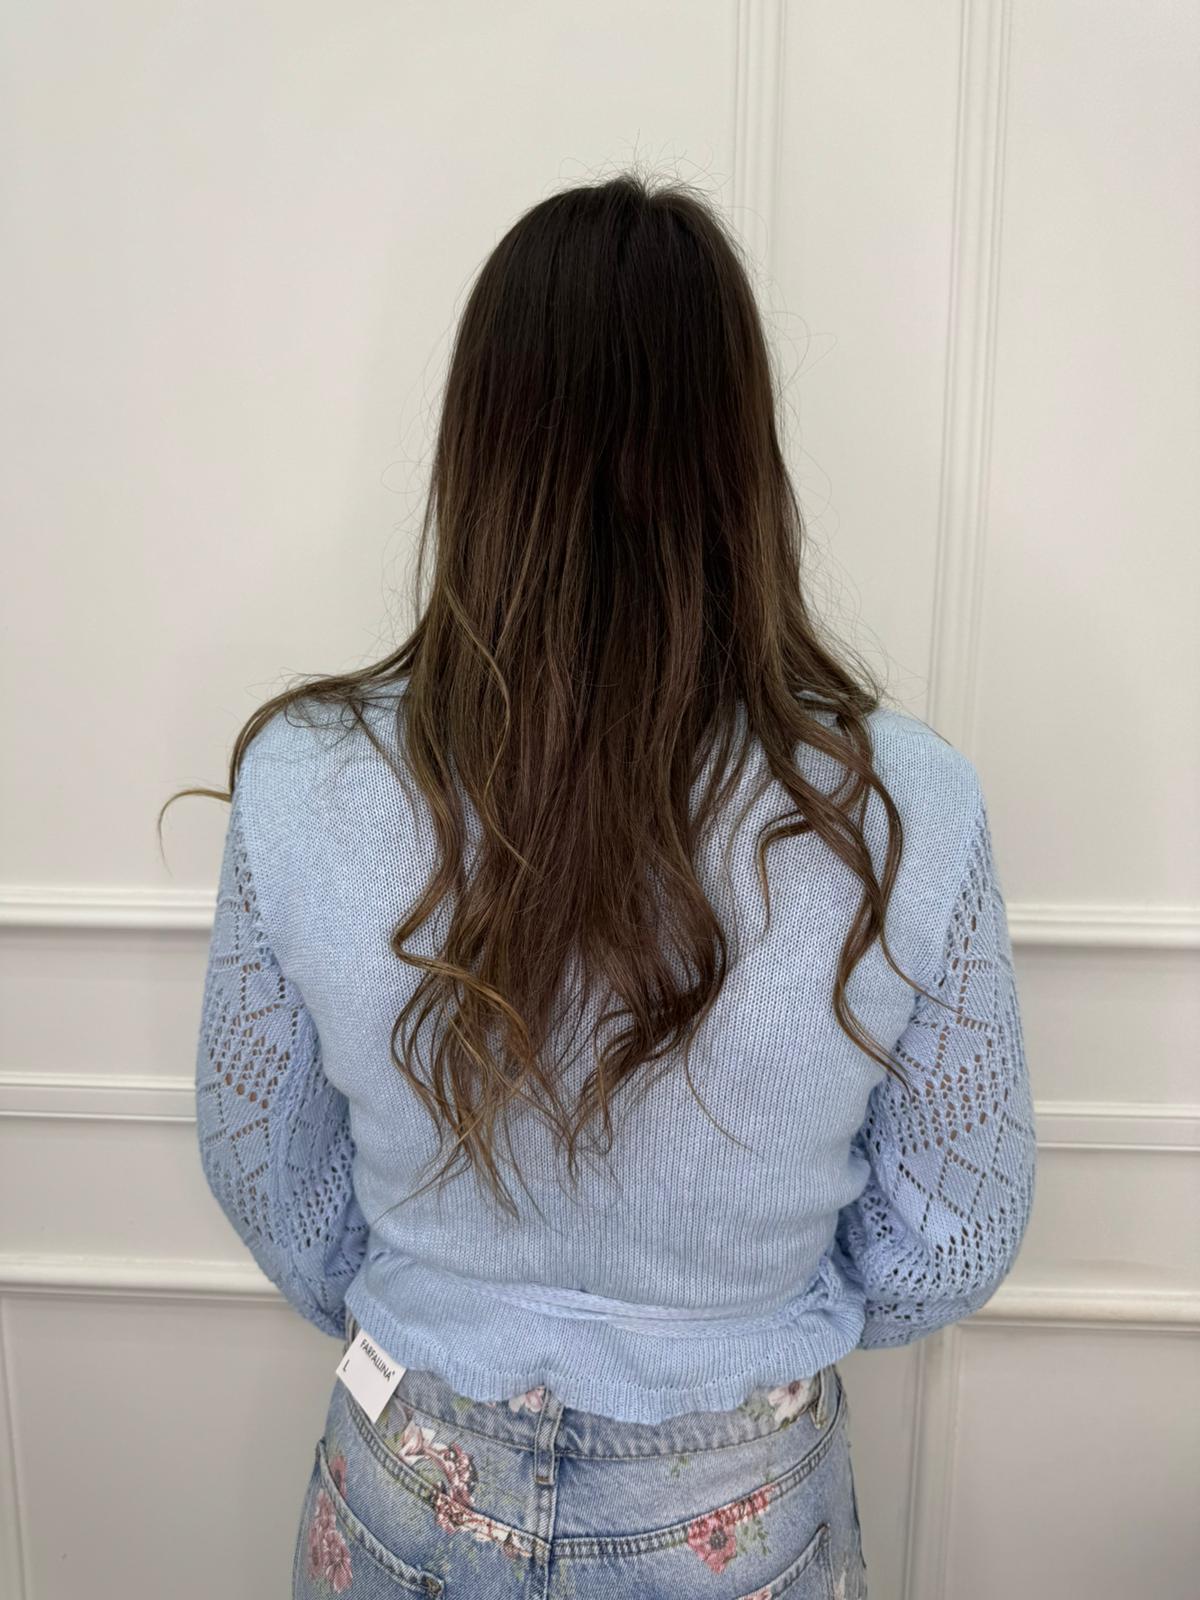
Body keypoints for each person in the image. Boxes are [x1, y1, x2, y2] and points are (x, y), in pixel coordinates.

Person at [171, 172, 1036, 1599]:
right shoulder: (906, 803)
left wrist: (459, 1310)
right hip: (740, 1504)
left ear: (476, 445)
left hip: (411, 1486)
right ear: (742, 454)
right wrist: (735, 1326)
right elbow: (953, 1240)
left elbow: (272, 1175)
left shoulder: (301, 776)